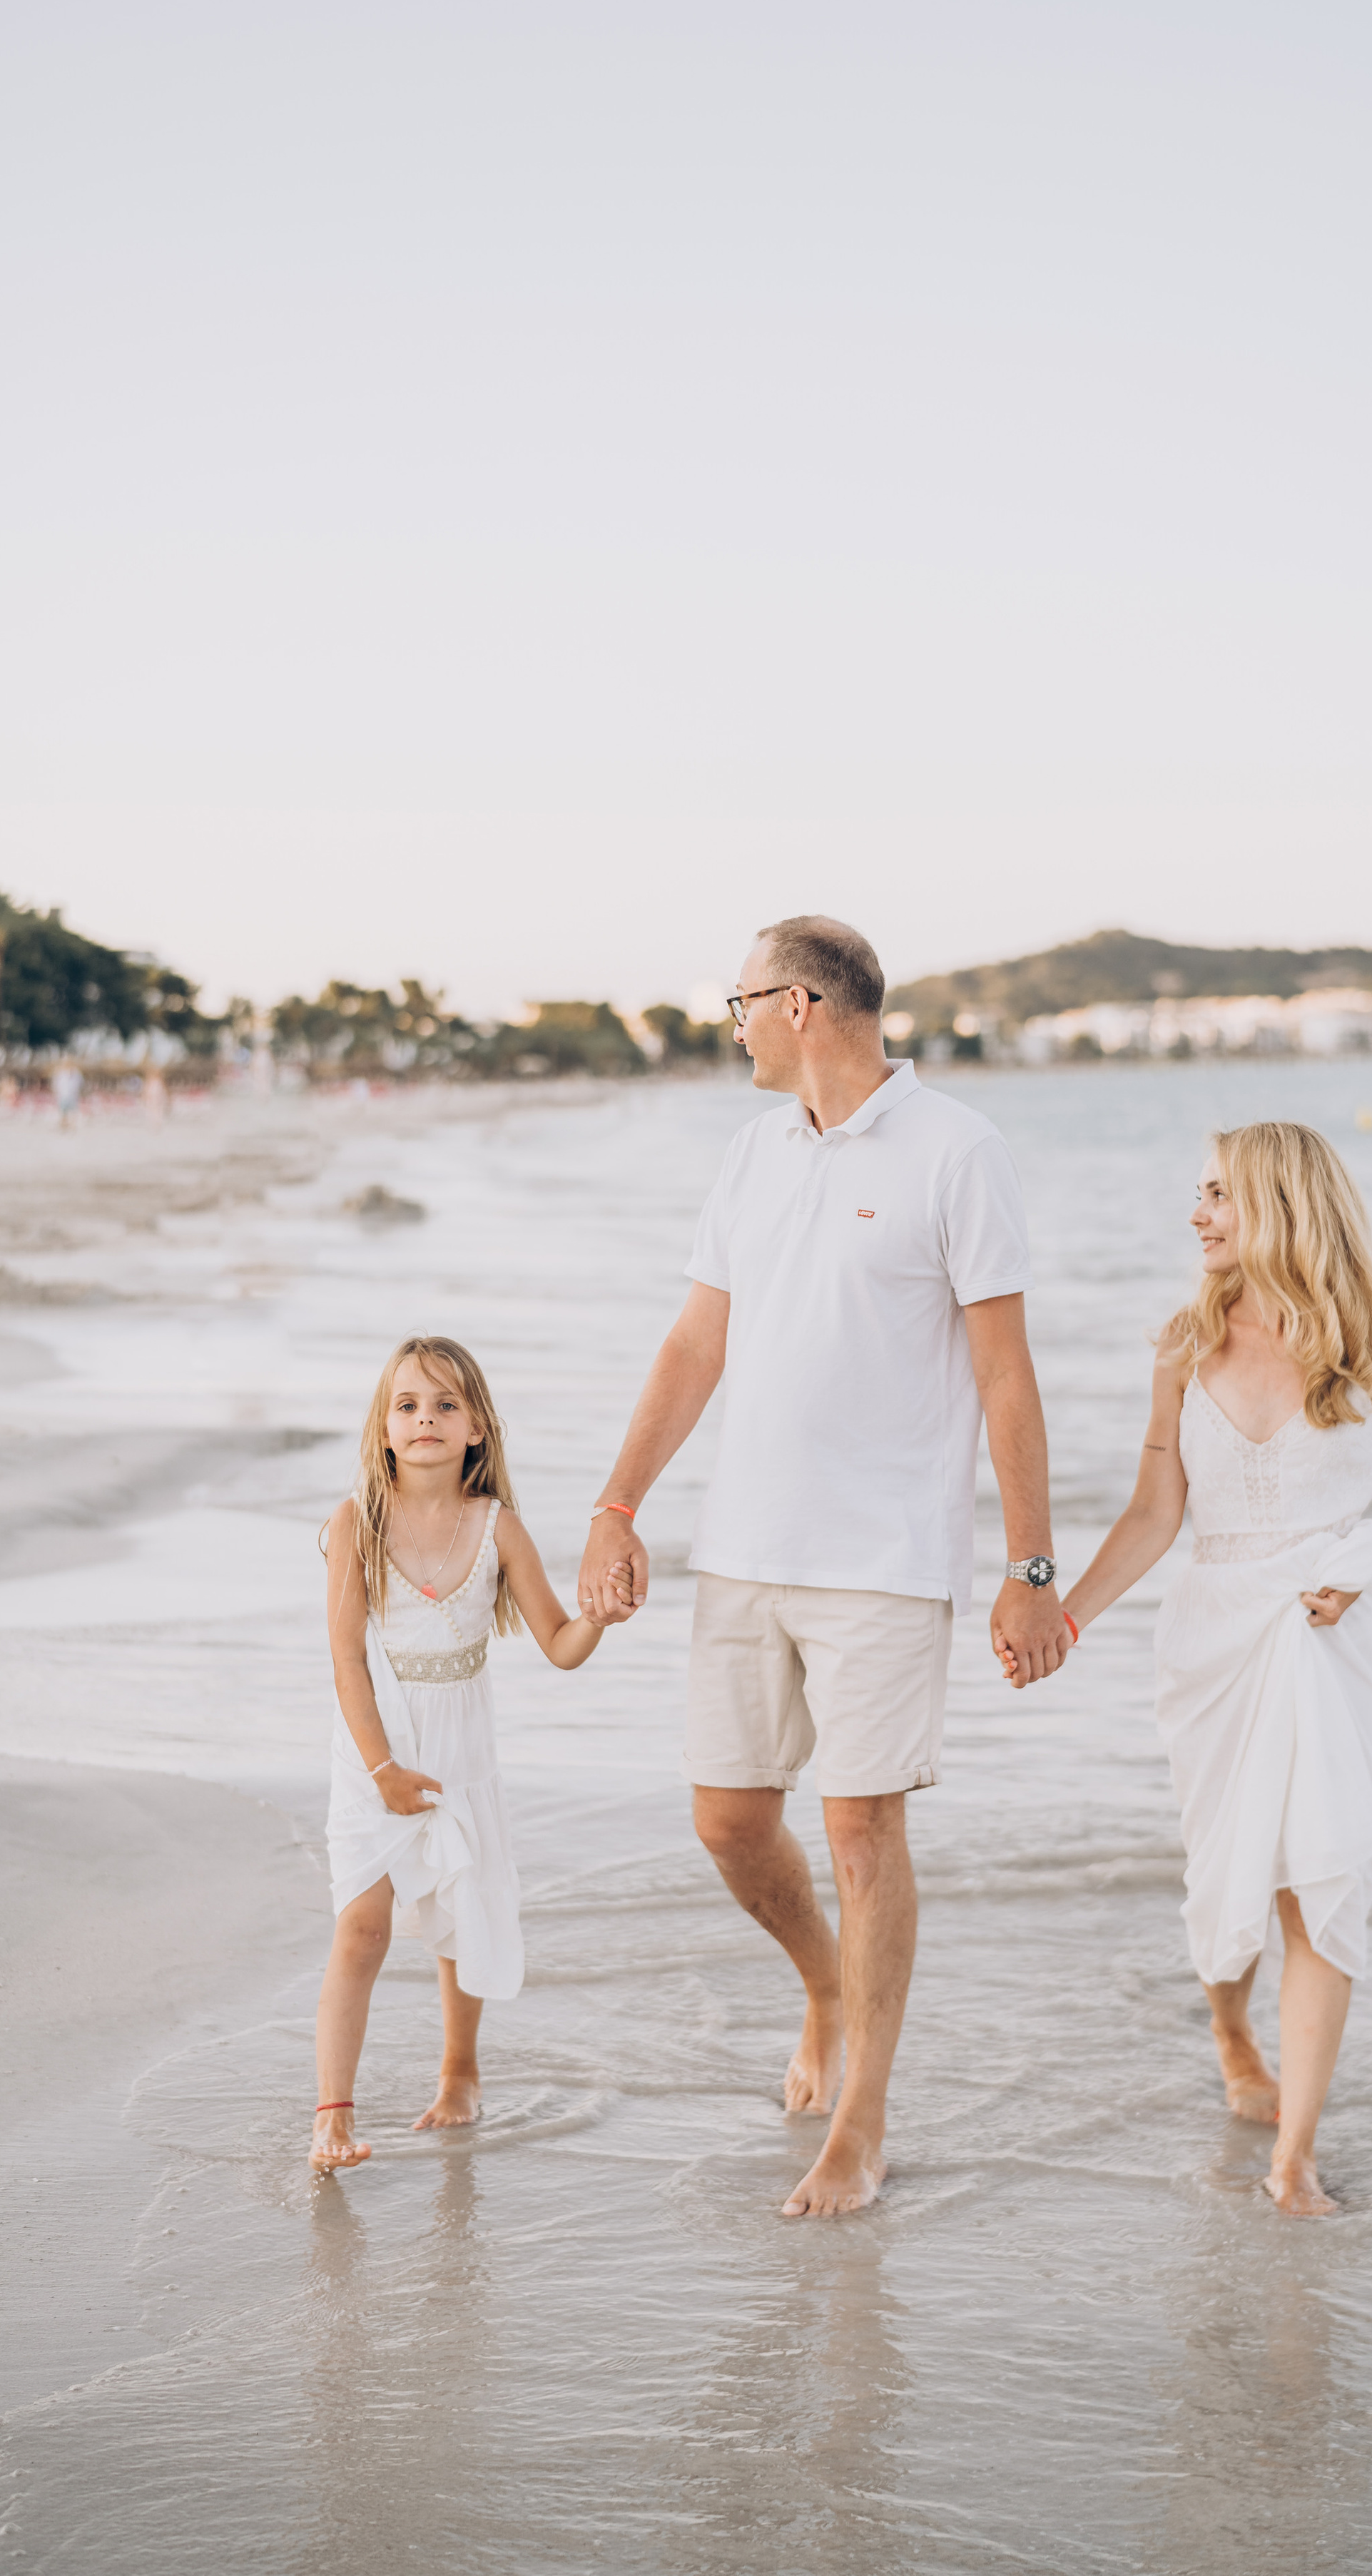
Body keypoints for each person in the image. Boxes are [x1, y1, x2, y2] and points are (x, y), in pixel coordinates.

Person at [576, 915, 1069, 2218]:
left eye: (738, 1002)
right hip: (744, 1548)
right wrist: (619, 1502)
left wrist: (1030, 1563)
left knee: (862, 1827)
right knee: (729, 1822)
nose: (728, 1024)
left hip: (887, 1559)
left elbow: (1006, 1374)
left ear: (797, 1004)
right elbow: (695, 1347)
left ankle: (863, 2120)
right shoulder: (749, 1155)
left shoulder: (959, 1151)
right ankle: (821, 1985)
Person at [1054, 1123, 1372, 2216]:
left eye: (1219, 1193)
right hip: (1213, 1638)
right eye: (1200, 1192)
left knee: (1322, 1877)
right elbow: (1153, 1513)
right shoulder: (1184, 1343)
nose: (1198, 1213)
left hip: (1328, 1637)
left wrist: (1363, 1560)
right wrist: (1066, 1618)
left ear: (1280, 1203)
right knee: (1229, 1872)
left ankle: (1296, 2155)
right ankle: (1231, 2029)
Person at [312, 1335, 630, 2173]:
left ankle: (459, 2073)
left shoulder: (498, 1529)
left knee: (459, 1913)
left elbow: (561, 1645)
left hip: (458, 1750)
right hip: (374, 1748)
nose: (426, 1420)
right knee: (362, 1928)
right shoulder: (356, 1522)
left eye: (447, 1405)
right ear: (383, 1429)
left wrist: (600, 1613)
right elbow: (348, 1658)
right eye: (409, 1406)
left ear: (479, 1428)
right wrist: (380, 1769)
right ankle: (331, 2115)